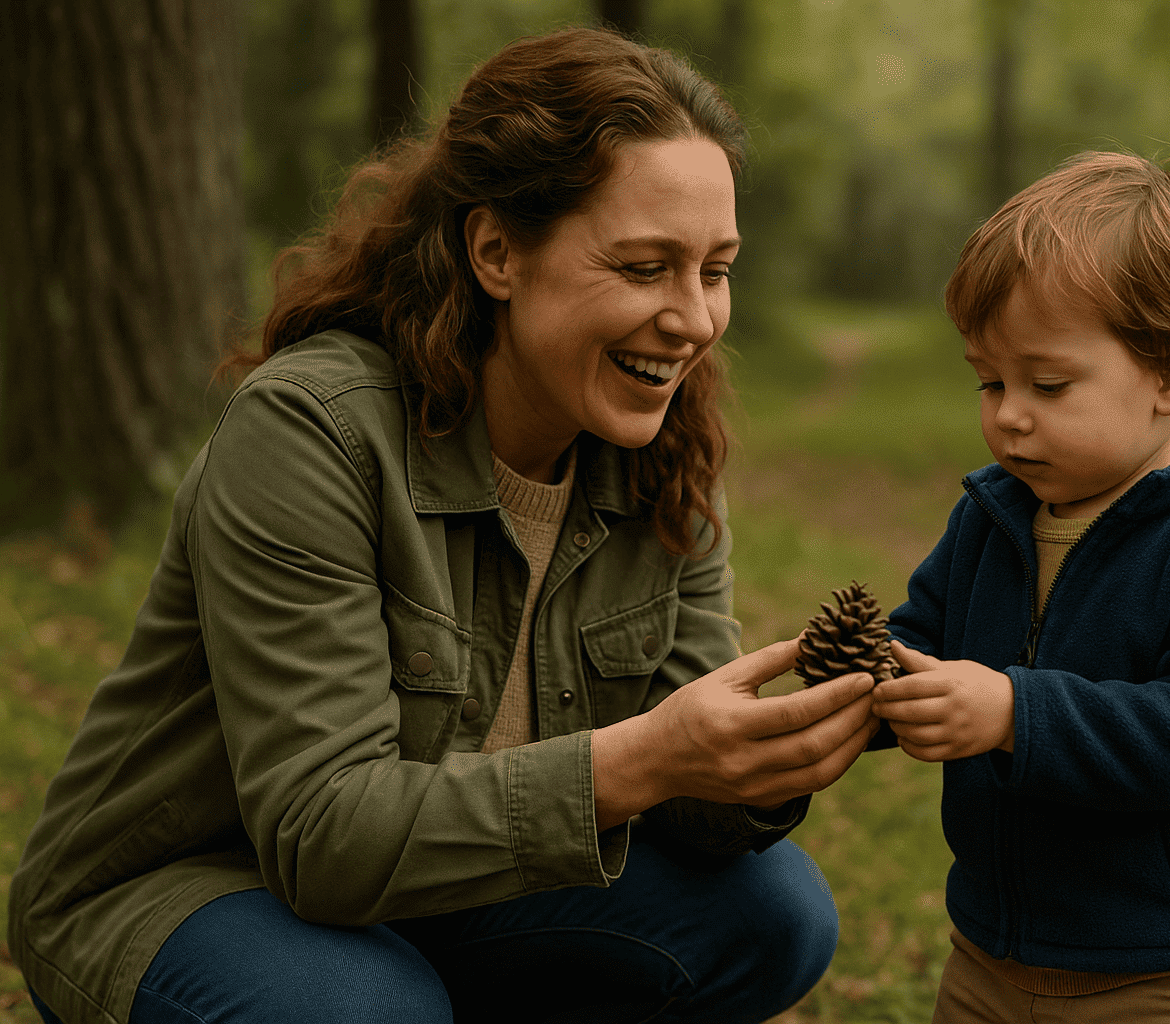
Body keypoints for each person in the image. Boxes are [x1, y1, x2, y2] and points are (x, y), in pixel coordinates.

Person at [9, 27, 881, 1024]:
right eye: (645, 267)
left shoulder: (662, 448)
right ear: (498, 251)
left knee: (773, 913)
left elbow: (678, 780)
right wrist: (641, 759)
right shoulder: (311, 432)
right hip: (197, 882)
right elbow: (319, 836)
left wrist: (754, 769)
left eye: (714, 270)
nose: (693, 320)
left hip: (447, 886)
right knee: (367, 1008)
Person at [869, 151, 1170, 1023]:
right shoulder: (993, 516)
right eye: (990, 381)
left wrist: (1012, 712)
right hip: (991, 952)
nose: (1009, 414)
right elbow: (918, 641)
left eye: (1049, 383)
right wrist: (851, 683)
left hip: (1167, 973)